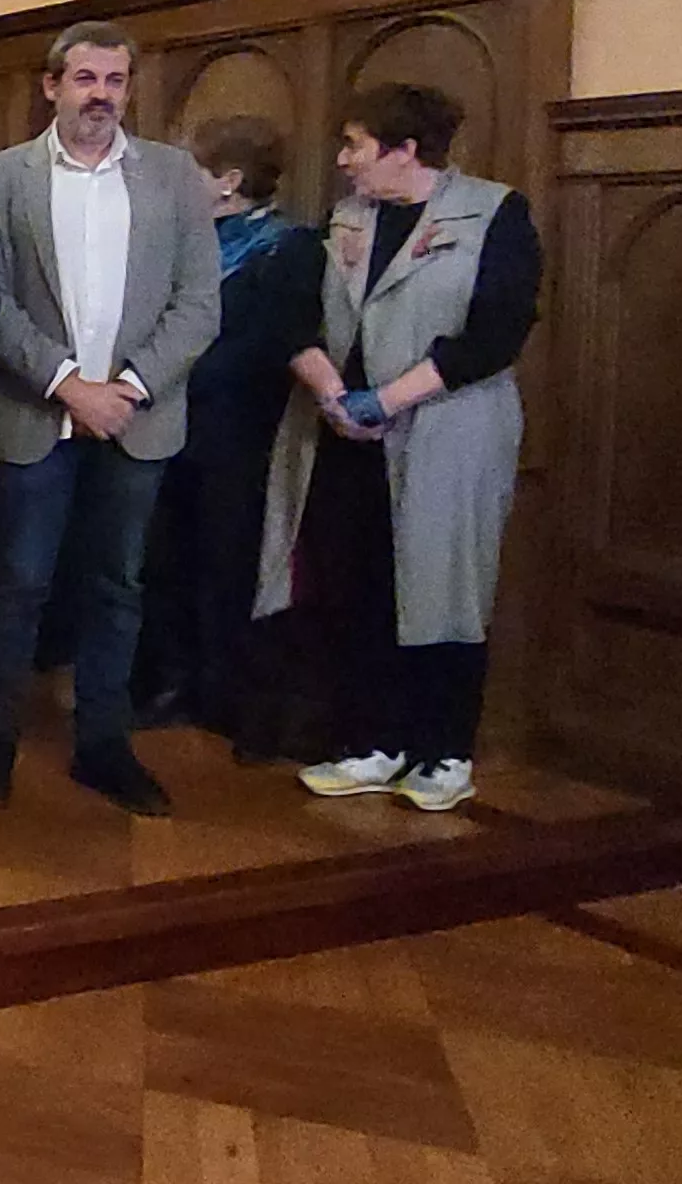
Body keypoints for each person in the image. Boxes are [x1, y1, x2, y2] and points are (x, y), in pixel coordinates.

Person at [258, 82, 539, 815]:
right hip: (346, 439)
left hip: (447, 432)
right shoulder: (346, 218)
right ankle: (370, 741)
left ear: (403, 150)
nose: (344, 161)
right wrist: (331, 397)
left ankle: (443, 750)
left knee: (444, 587)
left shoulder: (493, 213)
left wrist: (386, 399)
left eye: (354, 145)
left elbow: (494, 332)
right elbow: (296, 318)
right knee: (359, 583)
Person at [0, 22, 221, 818]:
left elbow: (199, 302)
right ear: (51, 86)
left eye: (114, 80)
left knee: (118, 588)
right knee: (16, 587)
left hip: (138, 418)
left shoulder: (175, 178)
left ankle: (102, 745)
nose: (99, 95)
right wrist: (69, 383)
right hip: (31, 413)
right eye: (84, 79)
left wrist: (130, 387)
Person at [131, 114, 325, 749]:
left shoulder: (286, 249)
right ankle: (167, 679)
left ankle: (222, 690)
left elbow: (267, 343)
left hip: (237, 434)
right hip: (162, 424)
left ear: (228, 181)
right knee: (161, 561)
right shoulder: (179, 241)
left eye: (192, 167)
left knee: (226, 561)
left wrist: (167, 373)